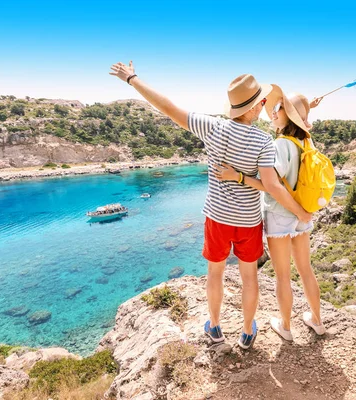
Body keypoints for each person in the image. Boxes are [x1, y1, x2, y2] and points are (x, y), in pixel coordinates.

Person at [110, 62, 312, 349]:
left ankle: (215, 328)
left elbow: (167, 107)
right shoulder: (264, 141)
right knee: (249, 277)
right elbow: (272, 186)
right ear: (255, 107)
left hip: (217, 218)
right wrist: (300, 212)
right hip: (248, 221)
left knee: (215, 274)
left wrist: (132, 79)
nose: (264, 107)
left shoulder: (213, 127)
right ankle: (246, 332)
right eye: (262, 102)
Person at [215, 85, 326, 341]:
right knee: (306, 270)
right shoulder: (305, 140)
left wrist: (238, 176)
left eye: (278, 108)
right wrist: (308, 107)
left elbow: (270, 186)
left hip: (279, 215)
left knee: (283, 276)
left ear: (288, 113)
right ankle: (317, 321)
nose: (272, 112)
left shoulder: (280, 145)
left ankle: (286, 327)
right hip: (303, 214)